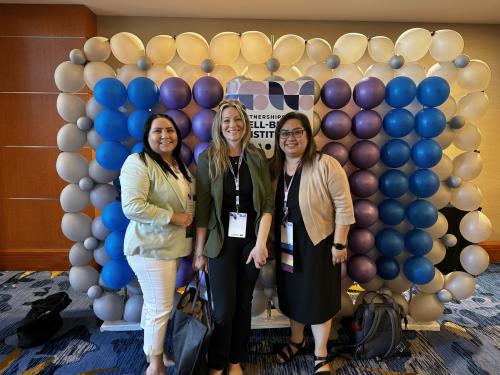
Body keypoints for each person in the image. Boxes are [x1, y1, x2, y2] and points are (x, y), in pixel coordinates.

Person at [270, 112, 355, 374]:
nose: (290, 138)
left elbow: (343, 205)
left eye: (297, 132)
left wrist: (340, 244)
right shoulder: (274, 168)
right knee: (293, 294)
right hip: (286, 243)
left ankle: (321, 354)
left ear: (308, 135)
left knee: (318, 298)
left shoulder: (325, 163)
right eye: (285, 133)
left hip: (318, 243)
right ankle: (296, 341)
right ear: (278, 139)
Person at [193, 99, 273, 375]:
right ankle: (216, 363)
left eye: (237, 119)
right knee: (223, 309)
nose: (232, 125)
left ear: (245, 124)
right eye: (226, 120)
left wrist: (262, 243)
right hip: (221, 241)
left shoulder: (257, 156)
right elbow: (202, 209)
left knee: (243, 304)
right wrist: (199, 251)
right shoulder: (208, 158)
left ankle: (235, 360)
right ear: (219, 125)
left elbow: (266, 205)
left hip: (251, 240)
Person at [120, 114, 194, 375]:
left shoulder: (176, 164)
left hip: (168, 248)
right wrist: (173, 218)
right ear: (147, 136)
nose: (165, 136)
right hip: (149, 248)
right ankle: (155, 366)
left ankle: (154, 352)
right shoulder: (138, 163)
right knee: (160, 307)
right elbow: (132, 206)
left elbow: (188, 203)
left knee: (155, 304)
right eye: (158, 131)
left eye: (170, 130)